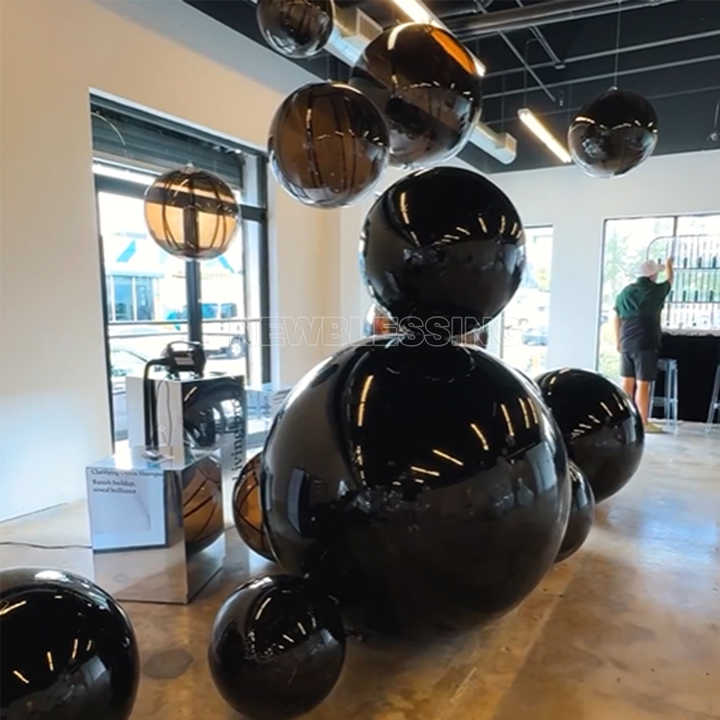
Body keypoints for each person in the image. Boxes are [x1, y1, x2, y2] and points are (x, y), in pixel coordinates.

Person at [613, 257, 674, 433]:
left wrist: (618, 341)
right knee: (643, 384)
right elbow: (670, 280)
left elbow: (616, 317)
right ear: (653, 275)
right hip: (645, 342)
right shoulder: (655, 290)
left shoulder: (625, 292)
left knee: (627, 382)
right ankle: (643, 422)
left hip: (626, 340)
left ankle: (625, 421)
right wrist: (669, 265)